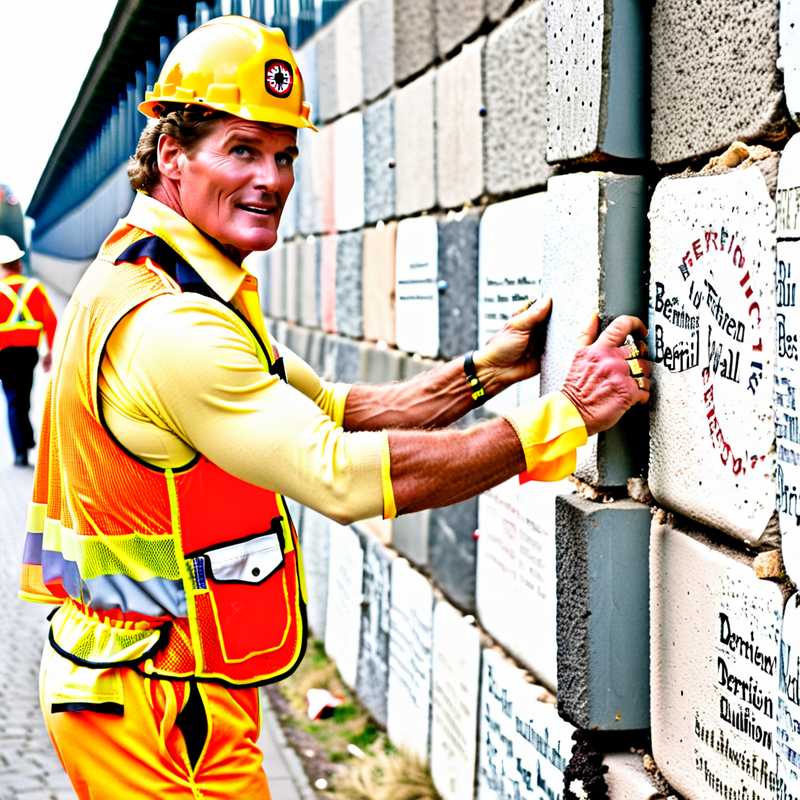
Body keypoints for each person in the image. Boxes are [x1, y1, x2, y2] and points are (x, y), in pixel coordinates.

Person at [18, 16, 651, 800]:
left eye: (283, 155)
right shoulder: (173, 327)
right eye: (242, 149)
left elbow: (334, 408)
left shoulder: (171, 278)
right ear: (171, 155)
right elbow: (339, 475)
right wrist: (566, 419)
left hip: (184, 683)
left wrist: (483, 374)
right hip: (142, 699)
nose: (272, 178)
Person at [0, 235, 56, 466]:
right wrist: (50, 352)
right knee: (23, 397)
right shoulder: (35, 288)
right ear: (19, 264)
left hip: (5, 354)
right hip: (28, 353)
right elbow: (50, 321)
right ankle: (29, 441)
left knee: (14, 400)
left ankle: (22, 450)